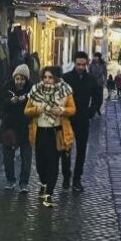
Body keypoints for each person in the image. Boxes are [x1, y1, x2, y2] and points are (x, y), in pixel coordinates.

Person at [24, 67, 75, 208]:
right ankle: (44, 183)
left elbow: (72, 109)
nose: (47, 80)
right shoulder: (35, 91)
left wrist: (62, 110)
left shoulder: (64, 91)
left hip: (56, 131)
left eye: (50, 77)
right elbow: (27, 110)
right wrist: (37, 110)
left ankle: (49, 194)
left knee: (53, 163)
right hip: (40, 131)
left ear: (55, 79)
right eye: (45, 77)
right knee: (40, 164)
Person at [61, 52, 103, 192]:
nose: (80, 67)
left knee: (81, 150)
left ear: (87, 64)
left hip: (83, 119)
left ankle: (77, 178)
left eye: (83, 65)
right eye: (78, 64)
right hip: (67, 119)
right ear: (74, 63)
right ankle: (66, 175)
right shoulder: (65, 78)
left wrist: (91, 111)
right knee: (65, 149)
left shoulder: (90, 80)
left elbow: (98, 97)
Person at [0, 64, 33, 192]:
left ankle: (24, 182)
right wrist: (10, 101)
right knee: (8, 157)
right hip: (9, 127)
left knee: (26, 158)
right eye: (17, 78)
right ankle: (10, 180)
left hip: (26, 127)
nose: (19, 82)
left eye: (23, 79)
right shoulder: (7, 87)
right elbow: (1, 105)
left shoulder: (31, 89)